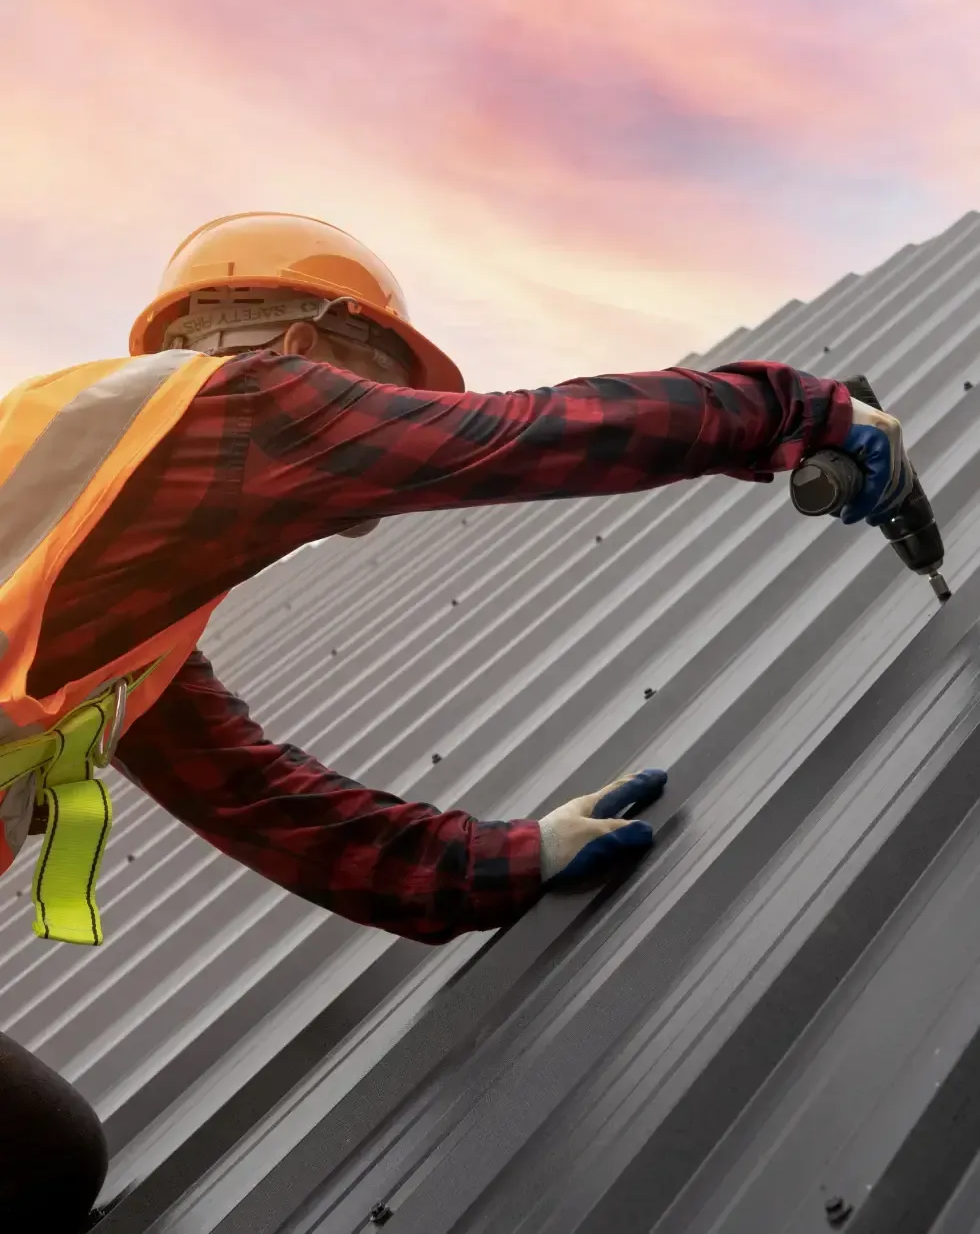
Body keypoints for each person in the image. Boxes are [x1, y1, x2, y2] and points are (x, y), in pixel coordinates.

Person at [0, 211, 908, 1229]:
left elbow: (252, 794)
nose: (383, 417)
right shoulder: (242, 402)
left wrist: (500, 860)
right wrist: (792, 410)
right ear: (302, 347)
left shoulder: (97, 565)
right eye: (378, 384)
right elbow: (521, 436)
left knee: (39, 1161)